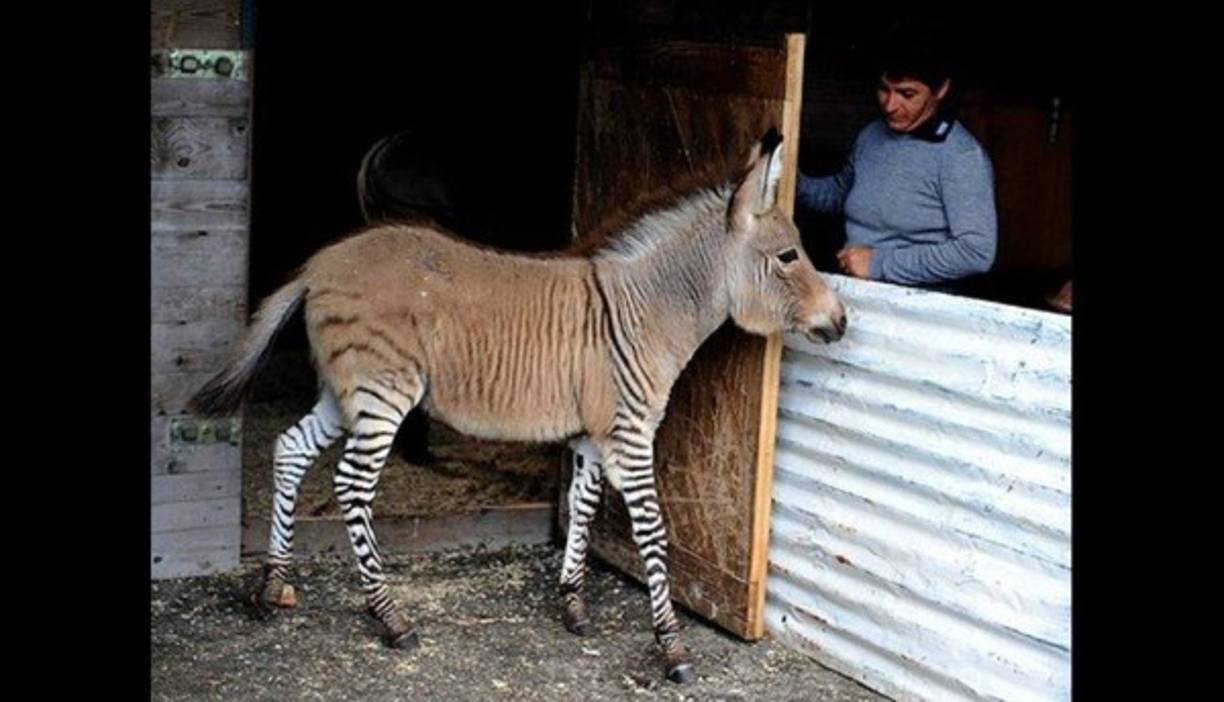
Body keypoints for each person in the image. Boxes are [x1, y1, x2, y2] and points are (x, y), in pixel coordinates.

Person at [797, 30, 997, 287]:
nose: (890, 105)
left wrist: (878, 264)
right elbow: (841, 194)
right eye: (884, 89)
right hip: (856, 289)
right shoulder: (871, 135)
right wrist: (793, 182)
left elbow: (976, 253)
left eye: (907, 94)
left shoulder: (961, 158)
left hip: (917, 306)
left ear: (941, 89)